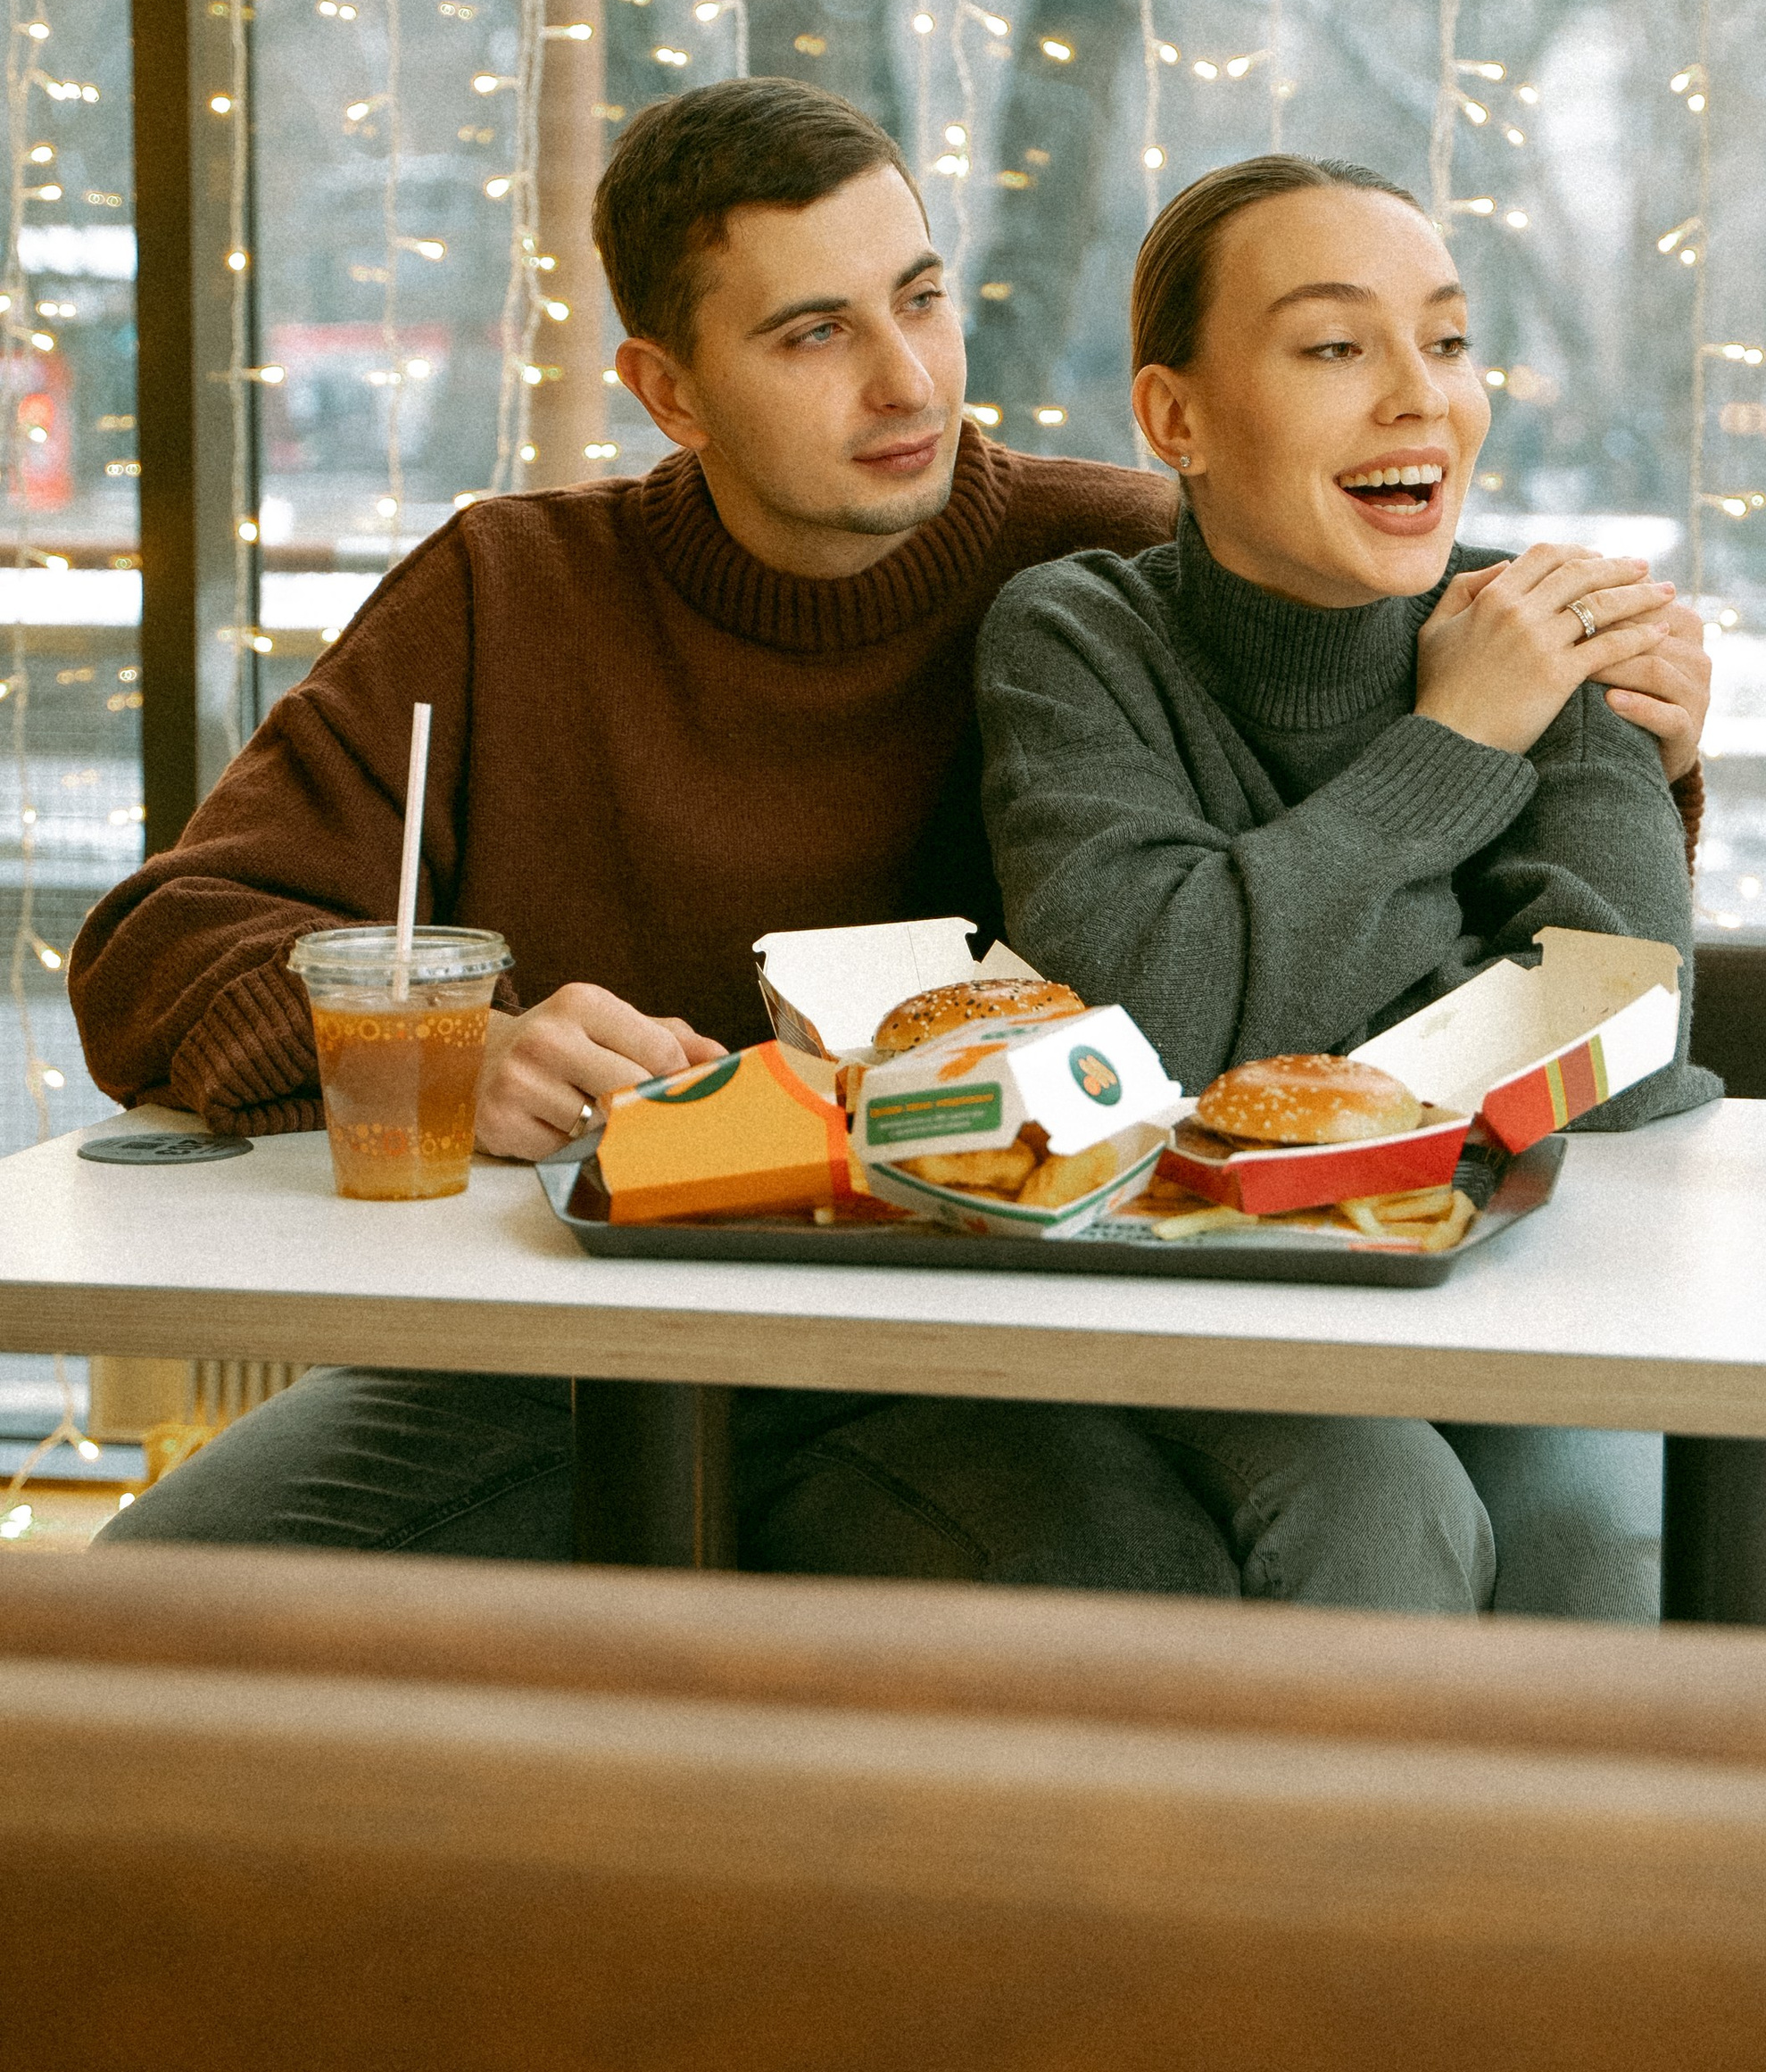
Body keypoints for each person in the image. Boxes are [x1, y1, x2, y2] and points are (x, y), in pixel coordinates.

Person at [75, 78, 1236, 1595]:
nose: (909, 383)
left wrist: (1635, 734)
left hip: (992, 1371)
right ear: (668, 391)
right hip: (553, 1364)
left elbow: (1434, 800)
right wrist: (455, 1052)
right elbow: (156, 947)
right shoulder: (510, 590)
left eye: (922, 300)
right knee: (109, 1644)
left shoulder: (1126, 560)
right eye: (814, 332)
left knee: (1128, 1619)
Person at [974, 152, 1719, 1615]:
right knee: (1384, 1516)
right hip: (1209, 1295)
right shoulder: (1077, 638)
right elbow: (1154, 1030)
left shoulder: (1549, 621)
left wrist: (1270, 970)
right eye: (1335, 346)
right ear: (1174, 418)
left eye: (1445, 340)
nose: (1420, 398)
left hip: (1534, 1285)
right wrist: (1461, 741)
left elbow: (1617, 1051)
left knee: (1607, 1537)